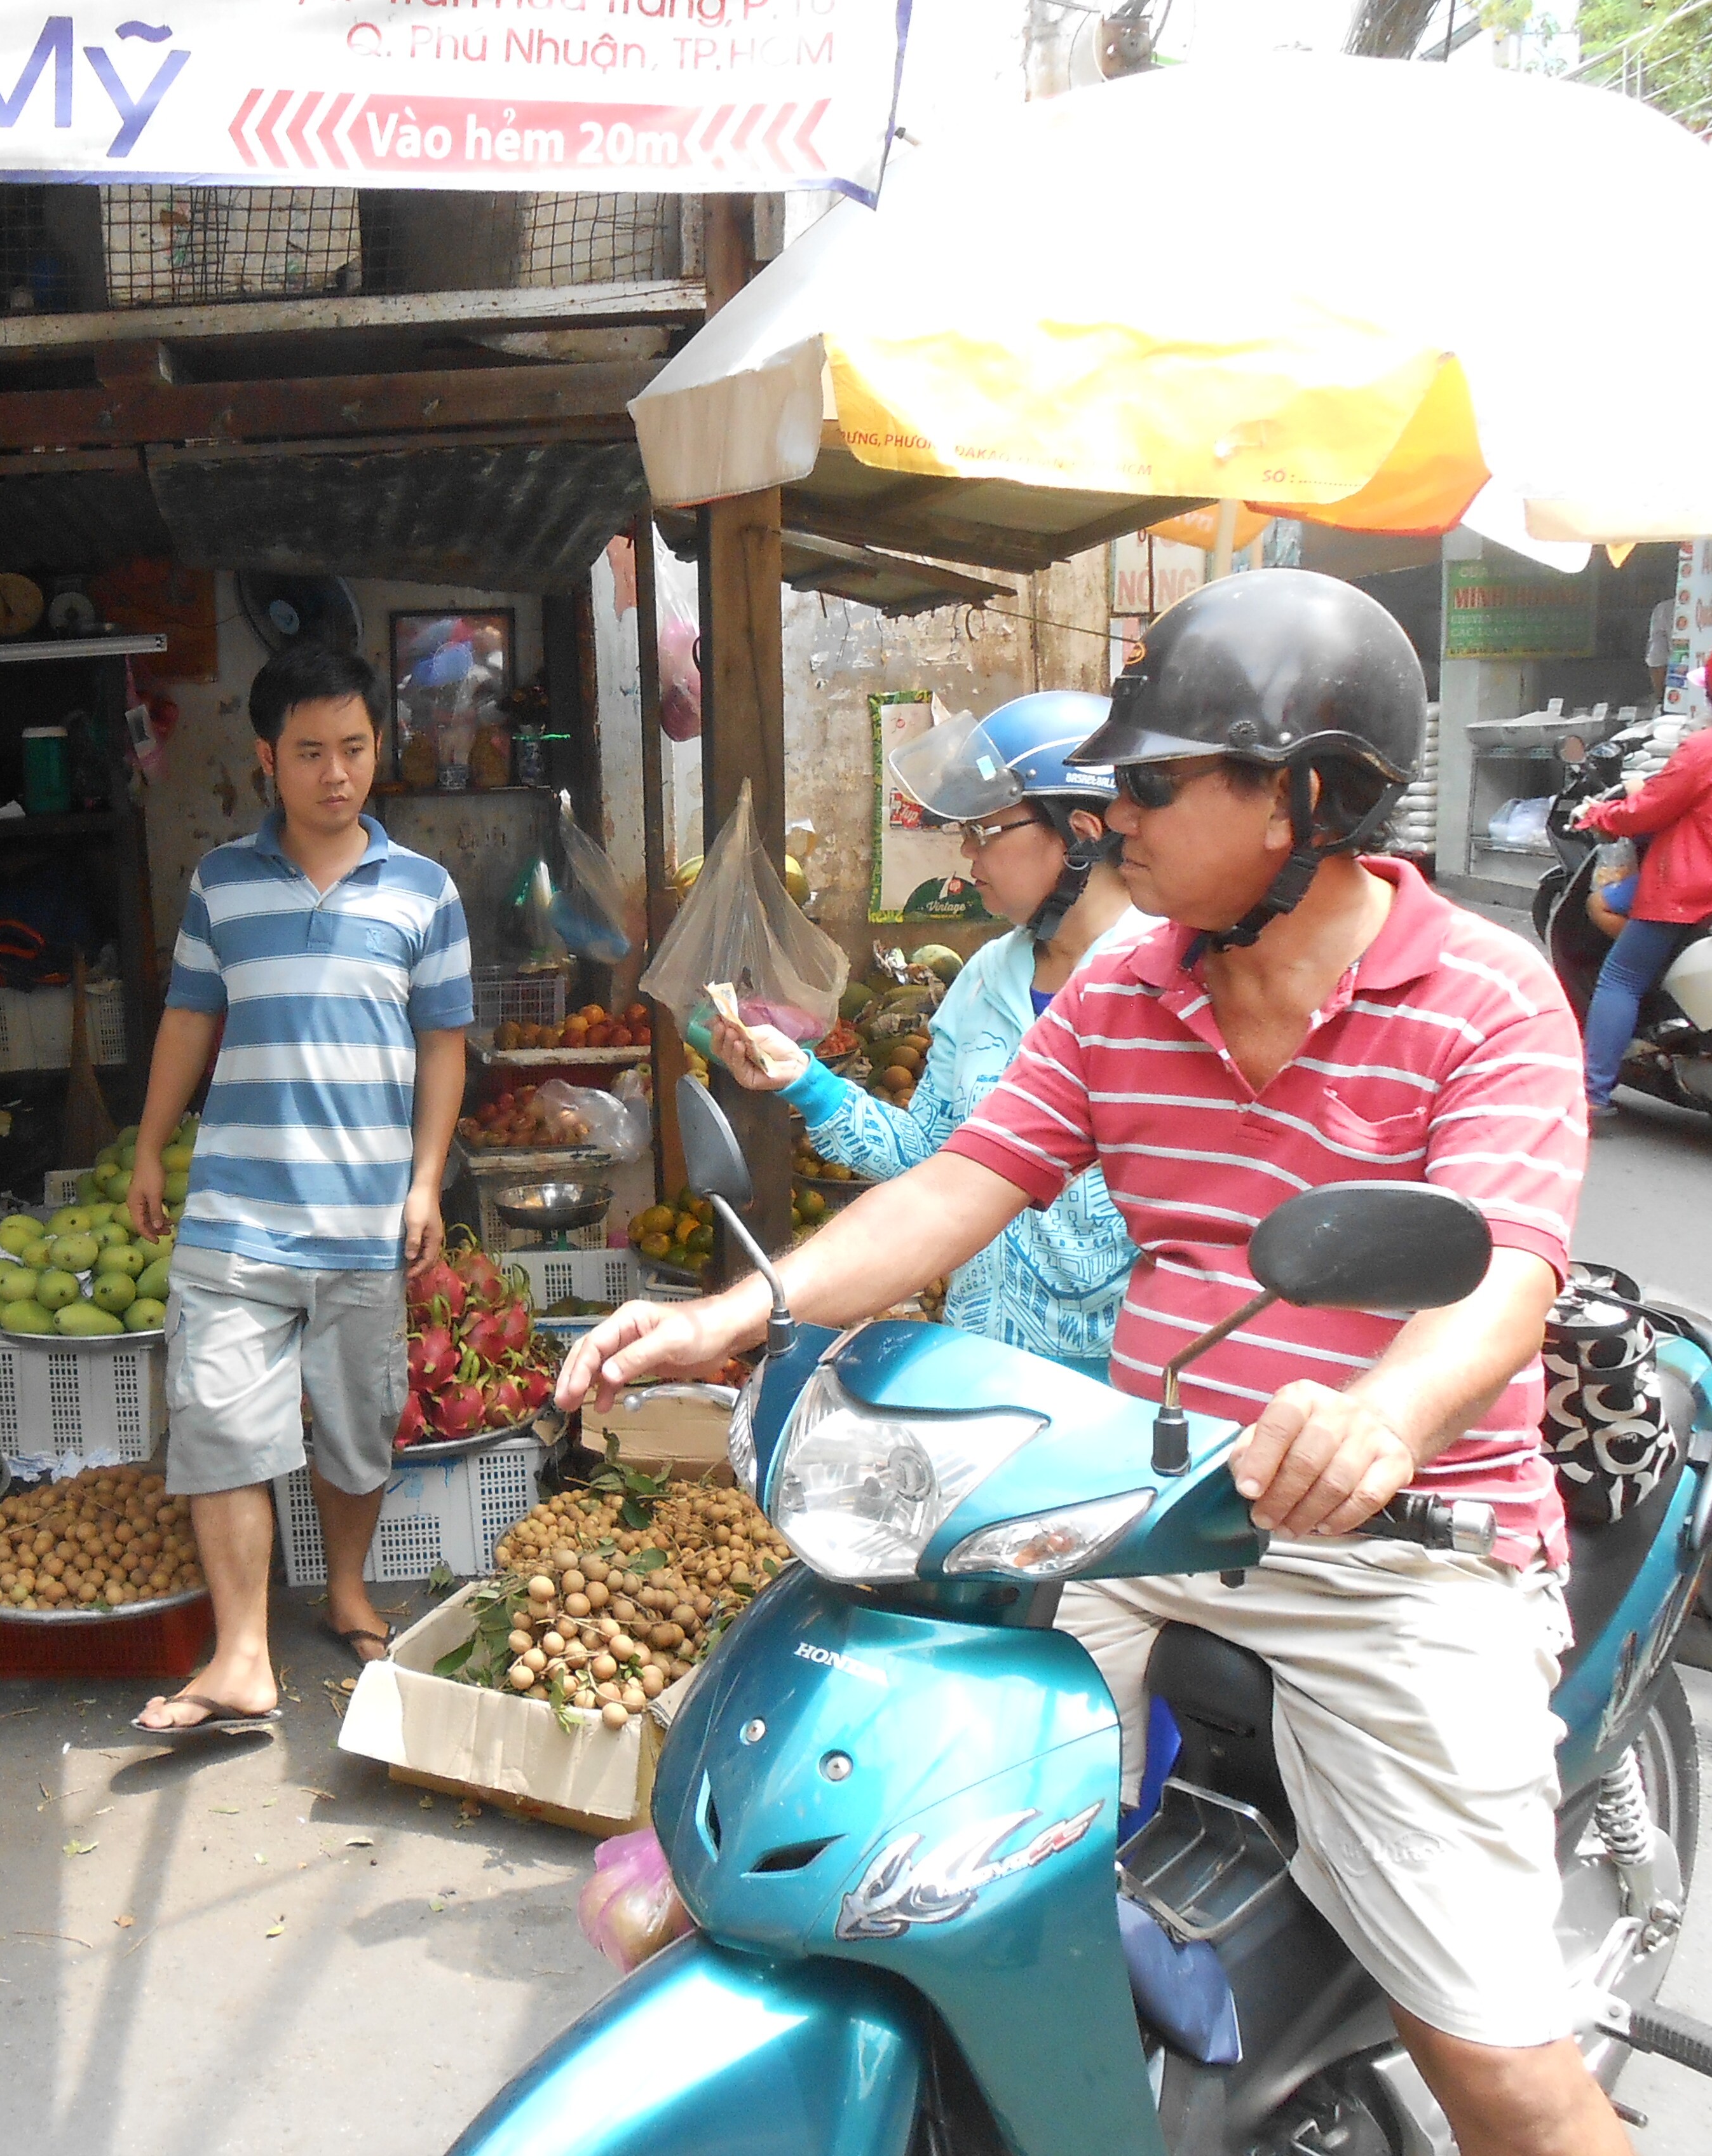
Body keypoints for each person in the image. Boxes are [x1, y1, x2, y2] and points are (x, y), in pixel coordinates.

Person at [560, 571, 1616, 2156]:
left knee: (1498, 2071)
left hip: (1394, 1554)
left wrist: (1382, 1416)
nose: (1117, 817)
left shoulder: (1482, 996)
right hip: (1135, 1509)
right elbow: (958, 1183)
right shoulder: (1124, 983)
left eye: (1156, 783)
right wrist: (738, 1311)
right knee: (910, 1853)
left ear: (1307, 798)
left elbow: (1506, 1273)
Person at [124, 642, 473, 1736]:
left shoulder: (423, 891)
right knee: (221, 1425)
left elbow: (444, 1045)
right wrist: (148, 1147)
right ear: (266, 759)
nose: (336, 773)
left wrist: (425, 1183)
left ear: (378, 749)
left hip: (364, 1218)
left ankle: (346, 1590)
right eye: (311, 752)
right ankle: (241, 1657)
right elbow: (189, 1017)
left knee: (358, 1430)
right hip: (235, 1217)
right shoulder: (220, 883)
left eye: (354, 748)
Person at [712, 689, 1155, 1375]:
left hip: (1125, 1389)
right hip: (980, 1370)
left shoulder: (1168, 983)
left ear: (1082, 834)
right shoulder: (984, 979)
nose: (968, 854)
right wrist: (806, 1081)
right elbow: (928, 1157)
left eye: (987, 832)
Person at [1572, 627, 1712, 1119]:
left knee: (1621, 978)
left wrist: (1601, 816)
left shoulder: (1707, 748)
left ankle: (1591, 1095)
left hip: (1698, 893)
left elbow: (1646, 812)